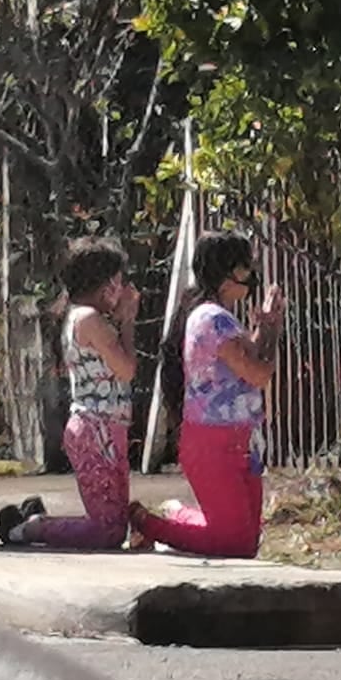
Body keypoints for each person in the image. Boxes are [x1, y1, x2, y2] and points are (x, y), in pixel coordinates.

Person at [128, 232, 286, 559]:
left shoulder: (220, 317)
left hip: (239, 441)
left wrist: (266, 327)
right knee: (235, 545)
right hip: (215, 443)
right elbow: (259, 371)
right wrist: (270, 330)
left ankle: (177, 514)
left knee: (244, 540)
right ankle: (146, 522)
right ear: (227, 272)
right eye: (246, 268)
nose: (251, 276)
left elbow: (248, 358)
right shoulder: (211, 318)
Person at [0, 237, 141, 548]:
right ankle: (31, 528)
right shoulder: (88, 319)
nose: (123, 287)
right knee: (108, 532)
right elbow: (126, 369)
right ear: (104, 283)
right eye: (118, 279)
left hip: (109, 428)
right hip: (95, 430)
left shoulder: (87, 317)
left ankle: (35, 521)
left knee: (115, 527)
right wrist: (128, 321)